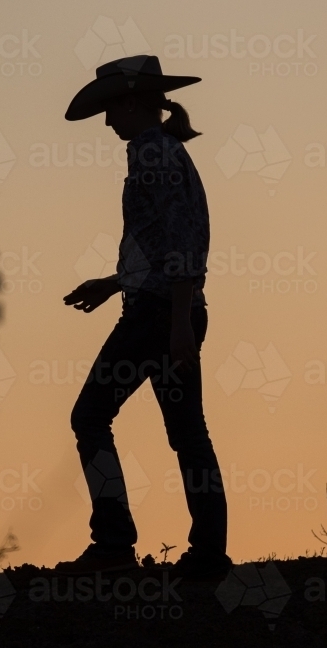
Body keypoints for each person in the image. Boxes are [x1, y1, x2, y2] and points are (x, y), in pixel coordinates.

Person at [55, 55, 231, 581]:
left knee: (90, 417)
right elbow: (168, 242)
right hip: (164, 309)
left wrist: (178, 322)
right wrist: (115, 284)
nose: (107, 121)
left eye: (111, 108)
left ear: (132, 102)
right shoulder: (157, 151)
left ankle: (113, 546)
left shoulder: (154, 152)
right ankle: (207, 557)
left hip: (158, 316)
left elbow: (184, 242)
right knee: (188, 433)